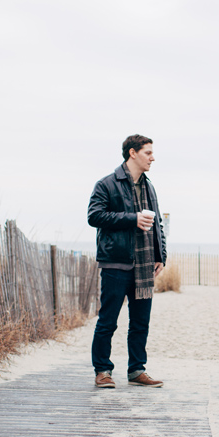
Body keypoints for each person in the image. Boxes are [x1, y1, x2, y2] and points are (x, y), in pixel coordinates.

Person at [87, 134, 167, 389]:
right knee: (108, 320)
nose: (152, 158)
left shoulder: (149, 186)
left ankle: (136, 370)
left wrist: (160, 255)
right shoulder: (107, 184)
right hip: (116, 263)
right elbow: (95, 215)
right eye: (148, 153)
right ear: (133, 153)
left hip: (144, 266)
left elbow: (158, 225)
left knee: (140, 322)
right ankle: (102, 370)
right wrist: (131, 218)